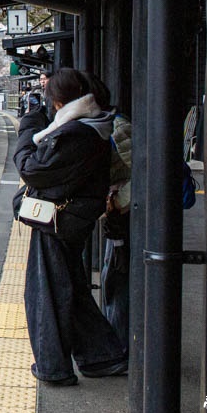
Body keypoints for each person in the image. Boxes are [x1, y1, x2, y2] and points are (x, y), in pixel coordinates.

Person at [13, 68, 127, 386]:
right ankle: (102, 355)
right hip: (69, 219)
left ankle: (53, 367)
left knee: (47, 291)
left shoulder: (77, 133)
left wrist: (27, 128)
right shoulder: (91, 126)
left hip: (59, 222)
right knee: (72, 288)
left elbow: (32, 168)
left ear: (59, 102)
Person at [81, 71, 132, 347]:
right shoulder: (106, 126)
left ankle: (121, 345)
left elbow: (144, 177)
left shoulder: (117, 128)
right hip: (118, 219)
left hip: (125, 220)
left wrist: (118, 202)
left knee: (117, 282)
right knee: (113, 279)